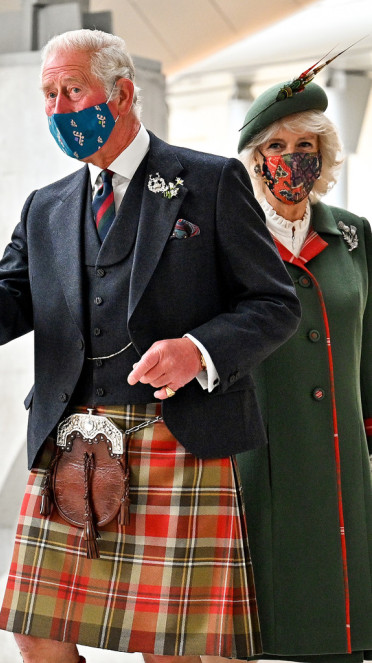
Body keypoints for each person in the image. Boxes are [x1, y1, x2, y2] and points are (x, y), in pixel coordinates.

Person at [0, 30, 300, 663]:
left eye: (72, 89)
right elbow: (3, 314)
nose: (57, 109)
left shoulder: (210, 182)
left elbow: (275, 303)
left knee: (170, 647)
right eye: (48, 94)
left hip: (177, 435)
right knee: (38, 633)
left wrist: (198, 349)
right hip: (67, 443)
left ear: (124, 92)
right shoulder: (46, 207)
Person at [236, 75, 372, 662]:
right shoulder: (227, 237)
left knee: (341, 628)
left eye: (305, 146)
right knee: (263, 628)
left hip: (343, 463)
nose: (292, 159)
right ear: (254, 159)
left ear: (324, 155)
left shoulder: (354, 235)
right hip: (257, 457)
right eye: (276, 146)